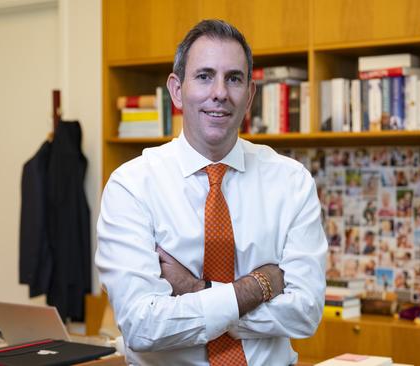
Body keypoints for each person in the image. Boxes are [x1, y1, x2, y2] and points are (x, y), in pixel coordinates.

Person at [95, 20, 327, 366]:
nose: (219, 92)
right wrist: (256, 288)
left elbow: (305, 313)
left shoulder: (291, 181)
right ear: (176, 90)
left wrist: (193, 291)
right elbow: (142, 325)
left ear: (249, 95)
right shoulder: (131, 186)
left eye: (233, 78)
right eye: (204, 76)